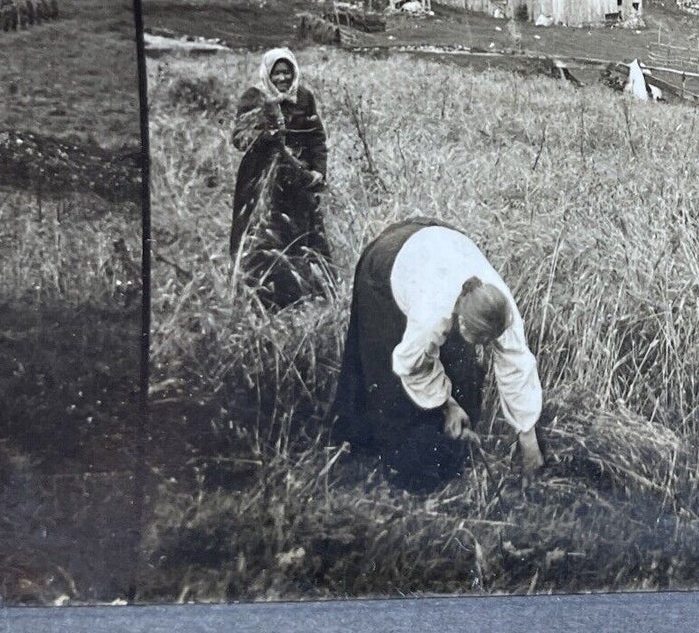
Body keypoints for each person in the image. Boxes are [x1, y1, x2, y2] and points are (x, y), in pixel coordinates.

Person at [331, 220, 545, 493]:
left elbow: (516, 365)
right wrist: (447, 404)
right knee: (387, 381)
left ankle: (447, 449)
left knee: (462, 369)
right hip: (389, 262)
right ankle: (368, 457)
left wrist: (528, 439)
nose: (488, 346)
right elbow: (409, 364)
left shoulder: (499, 306)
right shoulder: (432, 315)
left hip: (439, 244)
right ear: (462, 323)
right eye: (481, 340)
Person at [229, 47, 332, 308]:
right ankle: (261, 297)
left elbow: (317, 137)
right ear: (267, 74)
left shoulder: (304, 97)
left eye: (288, 72)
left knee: (301, 236)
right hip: (261, 180)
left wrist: (318, 170)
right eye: (278, 73)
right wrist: (266, 136)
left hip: (299, 181)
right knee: (263, 235)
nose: (284, 79)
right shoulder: (254, 99)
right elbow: (239, 139)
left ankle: (304, 296)